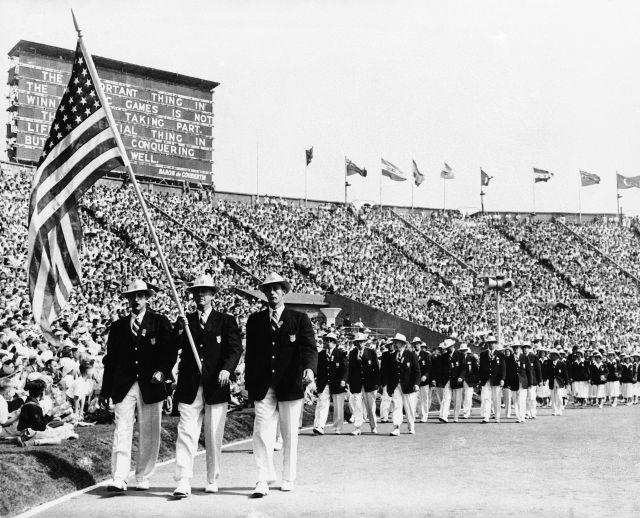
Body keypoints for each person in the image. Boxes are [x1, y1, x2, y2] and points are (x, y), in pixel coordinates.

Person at [99, 279, 176, 492]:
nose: (136, 300)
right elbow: (111, 361)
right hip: (124, 385)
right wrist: (106, 390)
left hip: (151, 384)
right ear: (127, 299)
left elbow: (169, 352)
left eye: (140, 296)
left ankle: (143, 474)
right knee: (121, 429)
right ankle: (119, 476)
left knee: (150, 431)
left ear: (147, 298)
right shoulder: (117, 327)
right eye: (132, 296)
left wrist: (162, 371)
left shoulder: (160, 322)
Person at [245, 273, 317, 497]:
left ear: (284, 292)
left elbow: (309, 348)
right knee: (261, 431)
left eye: (277, 289)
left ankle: (288, 477)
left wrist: (309, 369)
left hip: (290, 383)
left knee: (289, 433)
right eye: (269, 289)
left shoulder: (299, 319)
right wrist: (249, 382)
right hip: (263, 385)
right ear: (264, 293)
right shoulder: (255, 320)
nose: (273, 293)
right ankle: (263, 477)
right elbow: (251, 356)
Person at [172, 274, 242, 498]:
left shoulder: (226, 320)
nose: (200, 295)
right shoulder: (185, 320)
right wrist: (180, 331)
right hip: (190, 385)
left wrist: (226, 369)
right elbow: (173, 347)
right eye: (197, 291)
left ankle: (212, 478)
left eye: (205, 291)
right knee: (186, 432)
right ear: (192, 295)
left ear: (213, 295)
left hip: (216, 384)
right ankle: (183, 479)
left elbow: (234, 350)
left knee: (213, 434)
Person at [383, 333, 420, 436]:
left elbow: (417, 371)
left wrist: (416, 383)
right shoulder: (392, 356)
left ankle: (411, 424)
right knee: (397, 406)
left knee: (409, 407)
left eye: (397, 342)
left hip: (408, 385)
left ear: (403, 344)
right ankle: (396, 427)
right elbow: (389, 373)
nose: (395, 344)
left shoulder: (411, 355)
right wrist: (389, 388)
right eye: (395, 342)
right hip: (396, 386)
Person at [313, 332, 348, 435]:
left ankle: (337, 427)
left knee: (338, 406)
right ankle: (319, 426)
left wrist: (344, 380)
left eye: (330, 341)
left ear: (335, 343)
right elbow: (318, 369)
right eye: (326, 340)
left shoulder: (340, 354)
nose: (328, 342)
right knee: (322, 404)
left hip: (337, 383)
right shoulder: (321, 354)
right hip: (324, 383)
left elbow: (345, 368)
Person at [347, 332, 380, 435]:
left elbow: (376, 369)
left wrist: (376, 383)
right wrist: (350, 384)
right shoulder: (352, 353)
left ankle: (373, 426)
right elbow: (350, 370)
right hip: (357, 384)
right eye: (357, 342)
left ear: (364, 342)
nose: (359, 344)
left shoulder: (371, 352)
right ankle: (358, 427)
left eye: (361, 342)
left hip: (369, 384)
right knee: (357, 406)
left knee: (371, 407)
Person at [478, 335, 505, 423]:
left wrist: (502, 379)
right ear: (487, 344)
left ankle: (497, 417)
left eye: (493, 343)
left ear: (495, 344)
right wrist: (480, 379)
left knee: (496, 398)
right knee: (486, 398)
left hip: (496, 379)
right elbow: (481, 368)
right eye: (489, 343)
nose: (491, 345)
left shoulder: (500, 354)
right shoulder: (483, 354)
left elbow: (503, 368)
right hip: (486, 379)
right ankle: (486, 416)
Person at [439, 340, 465, 423]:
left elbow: (463, 368)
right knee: (446, 398)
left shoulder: (460, 355)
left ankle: (456, 416)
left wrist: (461, 377)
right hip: (447, 380)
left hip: (457, 380)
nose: (448, 349)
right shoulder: (444, 356)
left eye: (449, 347)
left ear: (453, 346)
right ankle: (444, 416)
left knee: (457, 399)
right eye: (446, 348)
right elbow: (442, 369)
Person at [416, 339, 432, 422]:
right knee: (417, 398)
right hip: (415, 381)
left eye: (418, 344)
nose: (416, 346)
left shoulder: (426, 355)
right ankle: (419, 413)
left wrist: (426, 375)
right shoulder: (412, 354)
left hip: (424, 380)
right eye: (415, 344)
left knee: (424, 398)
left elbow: (429, 367)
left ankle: (424, 415)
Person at [549, 349, 569, 416]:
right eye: (552, 355)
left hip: (559, 382)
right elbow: (547, 373)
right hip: (552, 382)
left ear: (557, 356)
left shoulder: (562, 364)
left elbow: (565, 374)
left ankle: (559, 409)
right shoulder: (549, 363)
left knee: (559, 395)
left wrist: (566, 382)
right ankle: (554, 410)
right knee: (553, 396)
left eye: (554, 355)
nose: (553, 356)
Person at [460, 344, 478, 419]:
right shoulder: (458, 358)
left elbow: (476, 370)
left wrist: (475, 381)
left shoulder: (471, 358)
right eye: (462, 351)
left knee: (468, 396)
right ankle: (467, 409)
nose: (463, 352)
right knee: (463, 396)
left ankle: (466, 412)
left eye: (464, 350)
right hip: (461, 380)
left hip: (469, 380)